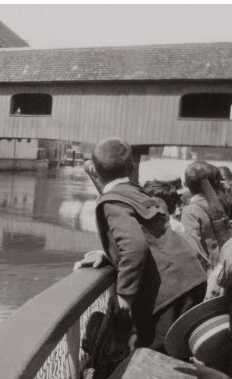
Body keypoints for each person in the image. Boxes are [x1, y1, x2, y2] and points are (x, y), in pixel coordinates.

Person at [79, 138, 207, 352]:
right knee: (175, 353)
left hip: (169, 293)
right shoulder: (136, 192)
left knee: (156, 359)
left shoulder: (112, 201)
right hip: (190, 278)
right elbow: (151, 235)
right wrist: (109, 255)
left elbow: (135, 246)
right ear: (131, 168)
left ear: (96, 172)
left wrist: (124, 296)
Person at [180, 161, 222, 268]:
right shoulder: (220, 205)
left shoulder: (190, 211)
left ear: (187, 185)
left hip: (209, 271)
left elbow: (192, 249)